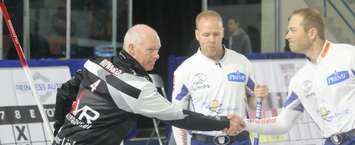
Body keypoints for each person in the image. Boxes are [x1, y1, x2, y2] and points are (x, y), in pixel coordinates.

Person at [52, 24, 245, 145]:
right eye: (151, 50)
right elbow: (180, 117)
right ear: (131, 48)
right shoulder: (136, 88)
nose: (157, 55)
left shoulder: (94, 63)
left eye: (158, 50)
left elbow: (64, 92)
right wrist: (224, 122)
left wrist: (59, 126)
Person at [244, 8, 355, 145]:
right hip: (331, 141)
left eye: (293, 30)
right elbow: (282, 123)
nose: (287, 36)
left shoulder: (349, 55)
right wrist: (243, 123)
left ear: (312, 33)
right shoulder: (300, 79)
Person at [171, 10, 268, 145]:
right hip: (203, 140)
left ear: (222, 32)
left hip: (240, 140)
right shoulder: (185, 70)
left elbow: (253, 101)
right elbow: (178, 116)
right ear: (197, 35)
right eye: (206, 34)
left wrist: (260, 97)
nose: (211, 39)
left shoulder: (241, 62)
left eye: (216, 34)